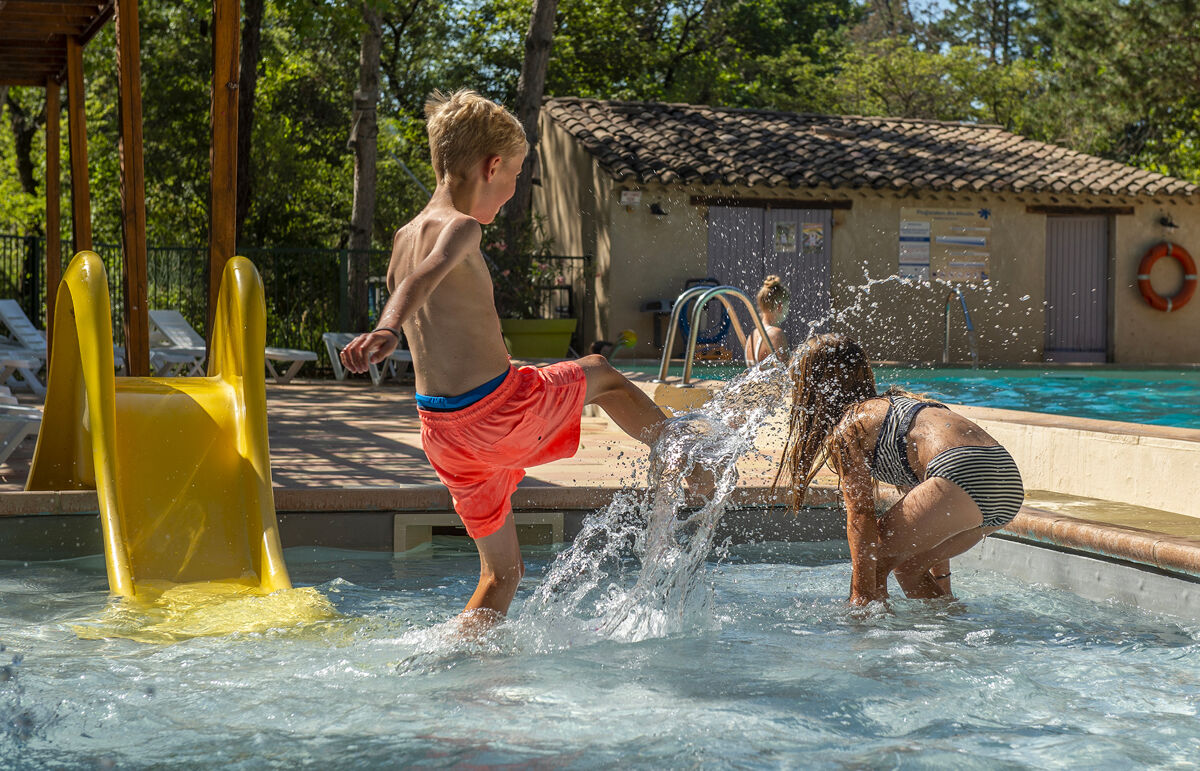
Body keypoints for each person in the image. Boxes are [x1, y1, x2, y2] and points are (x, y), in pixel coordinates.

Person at [339, 89, 669, 627]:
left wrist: (388, 321)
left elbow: (426, 295)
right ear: (492, 166)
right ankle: (683, 452)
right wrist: (387, 327)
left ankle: (462, 669)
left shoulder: (402, 237)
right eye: (516, 175)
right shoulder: (463, 227)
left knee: (503, 573)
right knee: (602, 373)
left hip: (443, 435)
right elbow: (427, 277)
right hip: (496, 413)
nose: (514, 190)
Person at [775, 334, 1023, 605]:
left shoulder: (852, 425)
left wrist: (859, 599)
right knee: (908, 567)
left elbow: (861, 516)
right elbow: (936, 513)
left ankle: (872, 633)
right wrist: (945, 588)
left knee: (876, 559)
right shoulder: (901, 406)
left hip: (959, 471)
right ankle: (948, 623)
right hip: (1007, 485)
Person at [744, 275, 789, 365]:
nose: (788, 310)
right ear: (780, 306)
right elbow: (788, 372)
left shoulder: (752, 336)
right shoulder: (776, 335)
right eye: (787, 306)